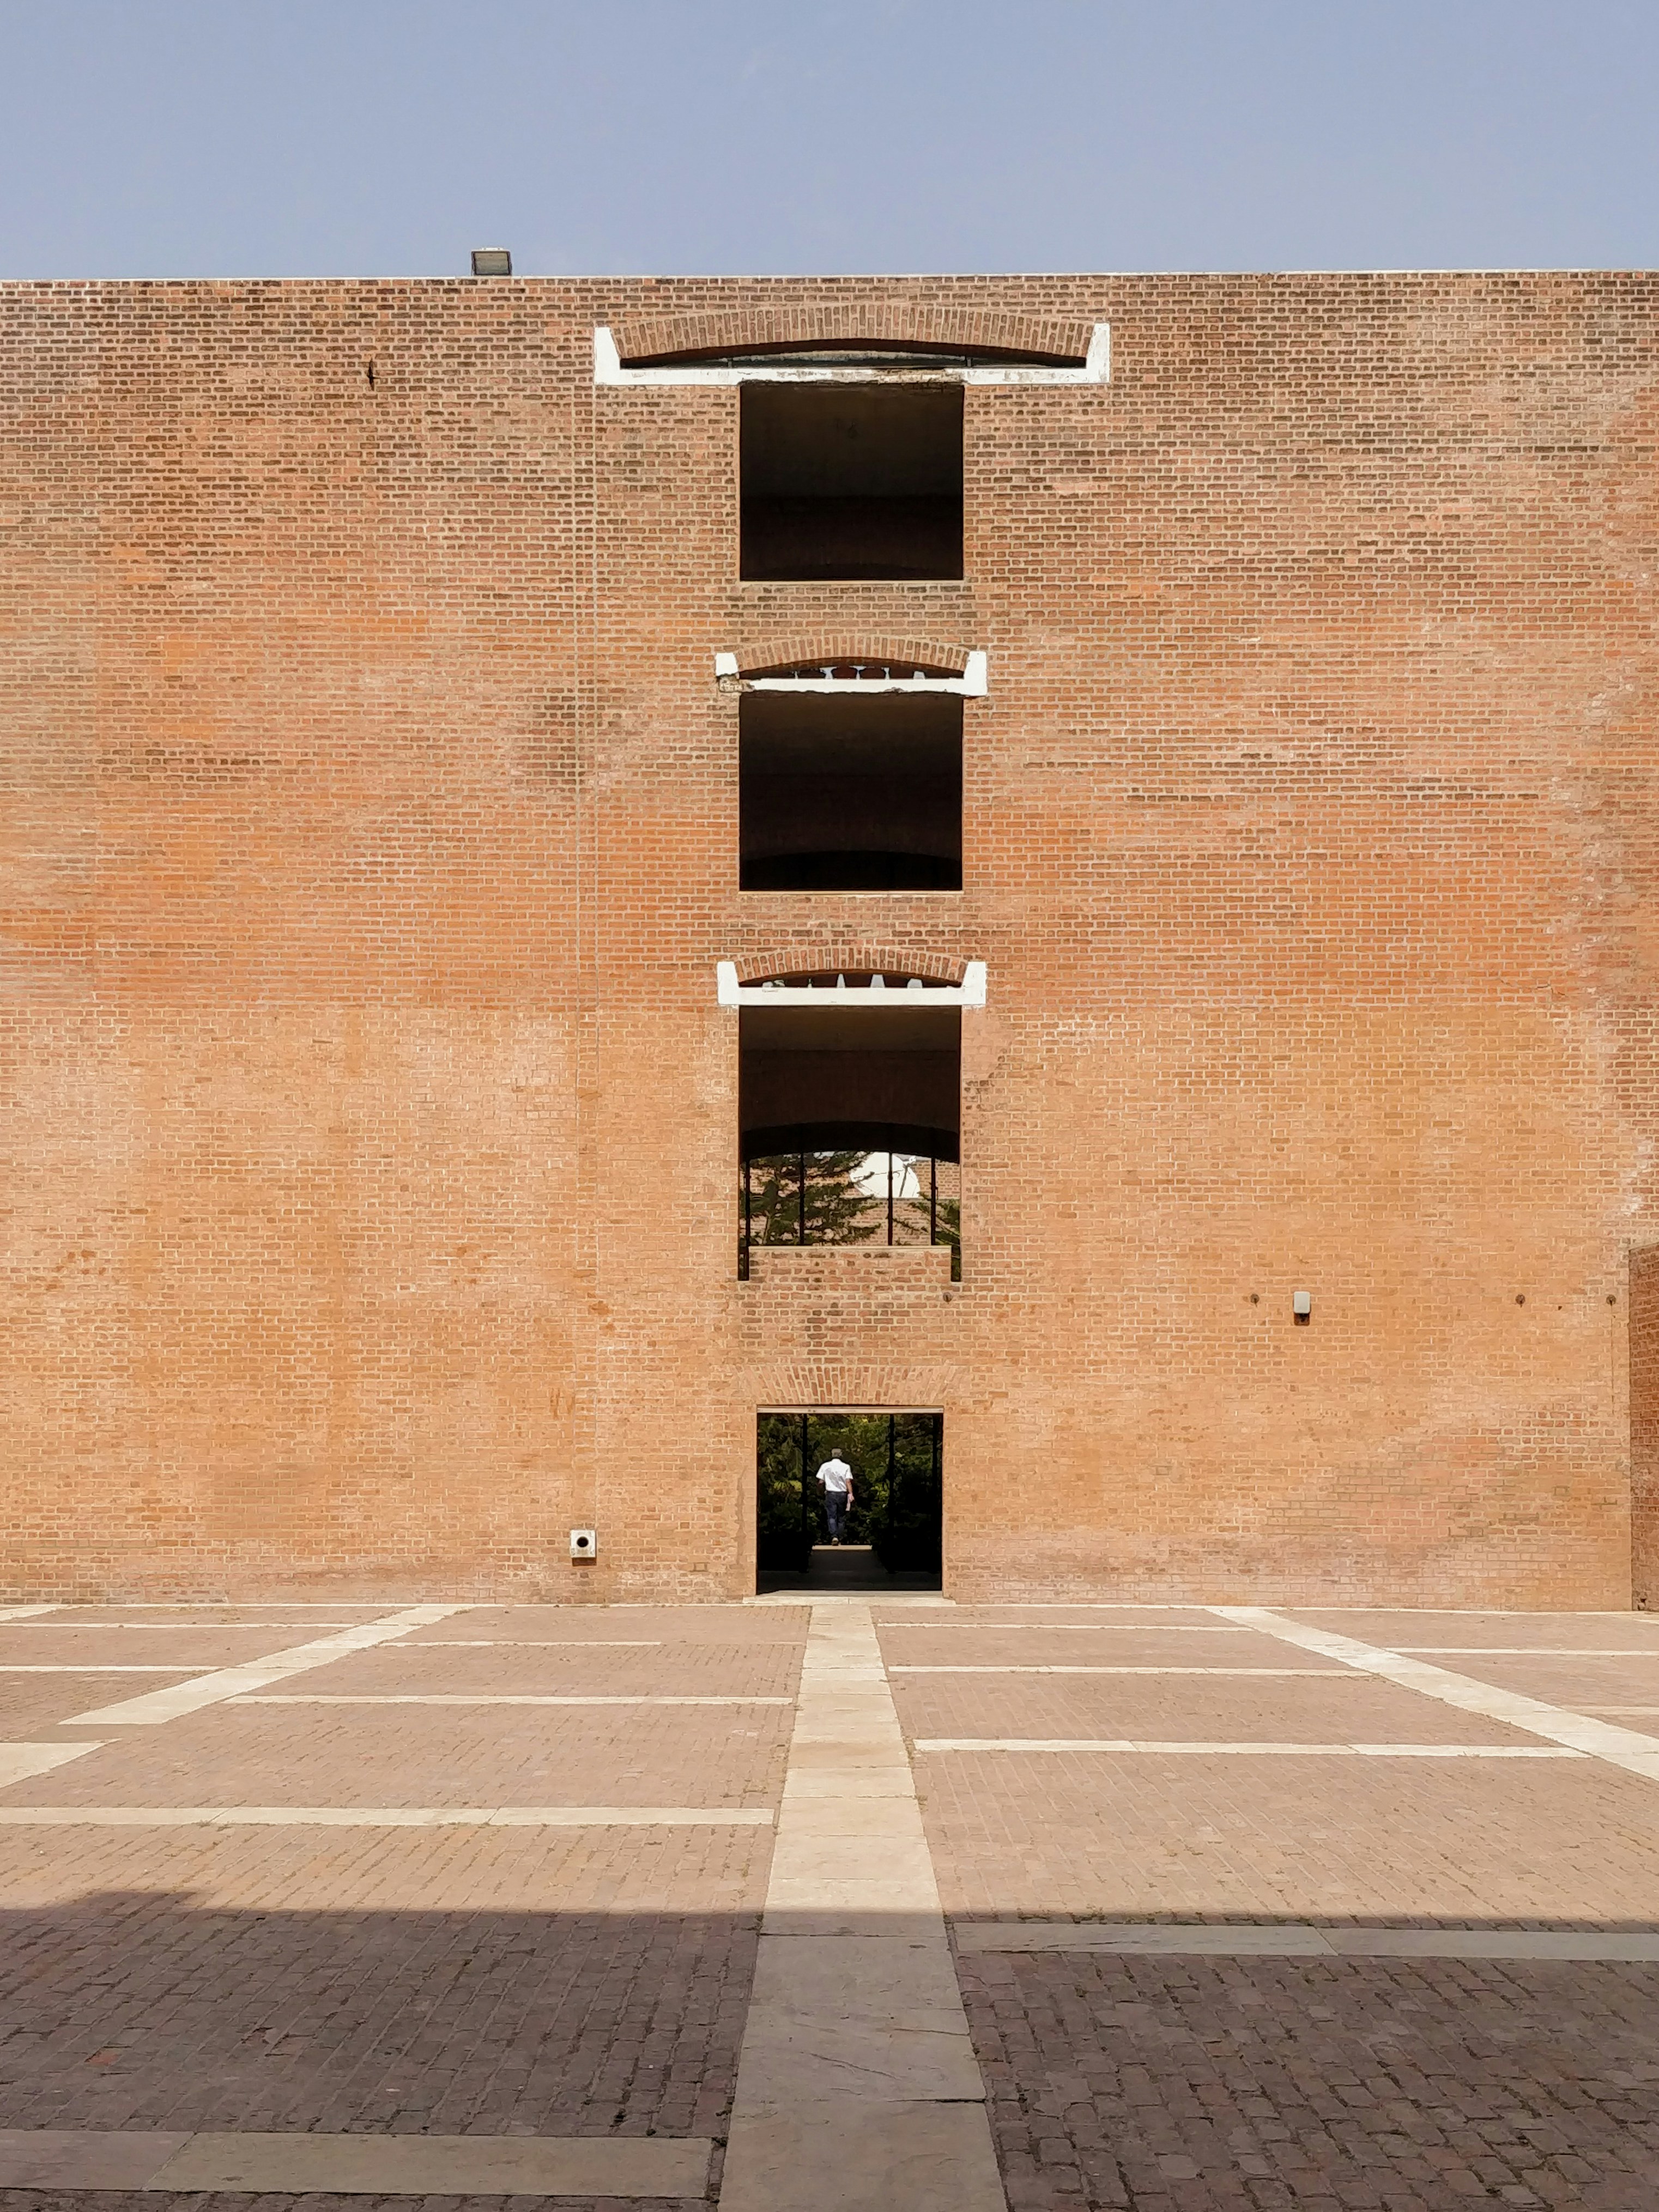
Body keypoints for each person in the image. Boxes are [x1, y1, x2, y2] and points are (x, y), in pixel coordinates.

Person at [815, 1450, 853, 1544]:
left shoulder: (825, 1466)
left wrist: (820, 1491)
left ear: (832, 1455)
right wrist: (851, 1494)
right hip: (842, 1494)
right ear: (841, 1455)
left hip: (830, 1493)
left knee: (832, 1516)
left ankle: (834, 1536)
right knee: (841, 1517)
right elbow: (848, 1481)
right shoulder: (846, 1467)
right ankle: (840, 1537)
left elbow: (821, 1482)